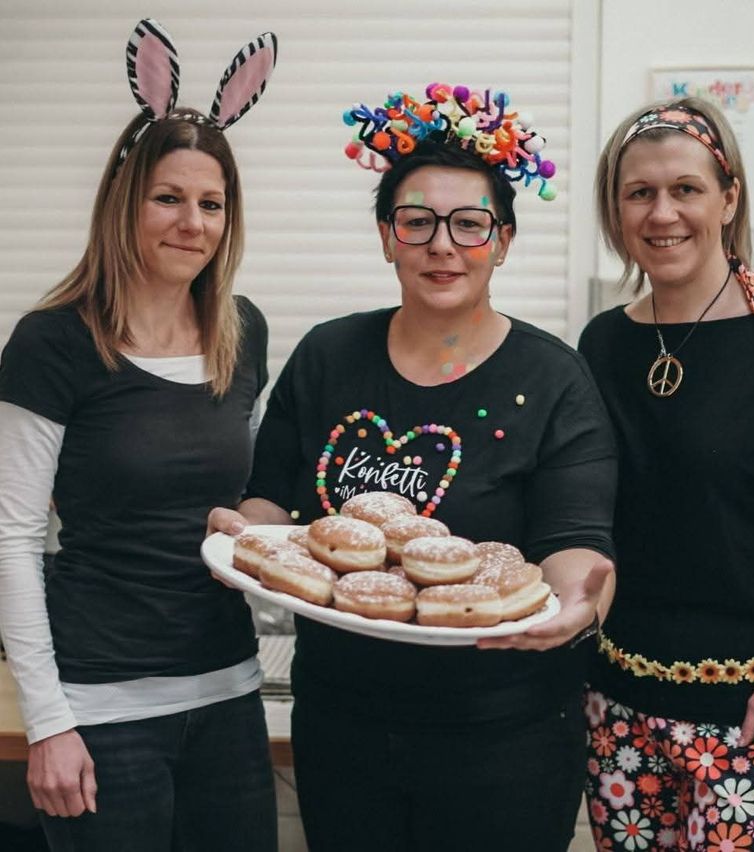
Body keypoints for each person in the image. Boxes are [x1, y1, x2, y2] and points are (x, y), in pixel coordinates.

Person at [208, 83, 617, 851]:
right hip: (342, 719)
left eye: (470, 224)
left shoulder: (554, 378)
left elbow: (577, 539)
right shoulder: (329, 357)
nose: (442, 244)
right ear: (386, 236)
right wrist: (241, 532)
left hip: (508, 733)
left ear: (503, 240)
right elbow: (273, 505)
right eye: (416, 221)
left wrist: (574, 603)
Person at [0, 19, 279, 851]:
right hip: (99, 709)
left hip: (229, 695)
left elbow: (245, 513)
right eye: (169, 198)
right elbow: (11, 537)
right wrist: (46, 721)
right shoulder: (54, 342)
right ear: (126, 202)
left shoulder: (243, 332)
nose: (191, 222)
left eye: (211, 204)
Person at [578, 97, 754, 851]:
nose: (662, 212)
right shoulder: (602, 345)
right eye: (639, 193)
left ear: (728, 198)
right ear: (616, 210)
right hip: (618, 705)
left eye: (686, 189)